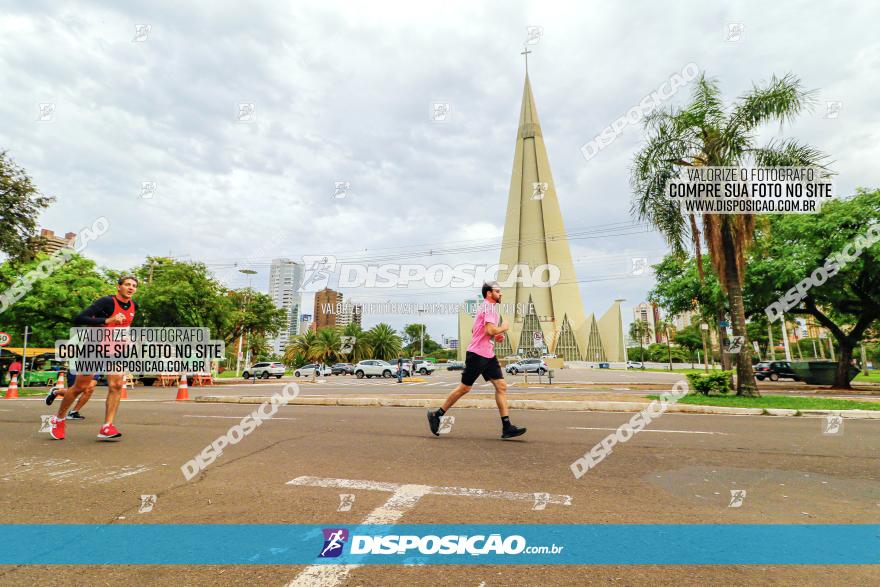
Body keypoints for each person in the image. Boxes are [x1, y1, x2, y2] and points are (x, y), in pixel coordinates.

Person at [427, 282, 526, 439]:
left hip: (488, 355)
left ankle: (507, 427)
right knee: (464, 388)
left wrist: (496, 335)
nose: (501, 294)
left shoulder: (485, 308)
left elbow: (476, 330)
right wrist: (503, 328)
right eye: (498, 291)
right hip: (477, 354)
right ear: (489, 293)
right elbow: (489, 330)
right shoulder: (488, 307)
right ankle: (436, 415)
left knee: (501, 386)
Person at [49, 275, 138, 441]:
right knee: (80, 387)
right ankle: (58, 419)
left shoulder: (134, 306)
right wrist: (107, 320)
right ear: (119, 287)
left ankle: (107, 427)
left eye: (134, 285)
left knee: (117, 385)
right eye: (127, 284)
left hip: (116, 349)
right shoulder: (106, 302)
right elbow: (79, 318)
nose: (131, 288)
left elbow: (124, 326)